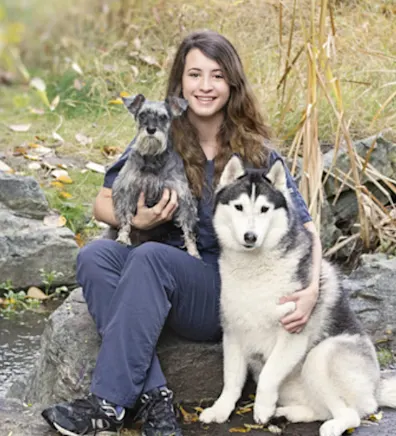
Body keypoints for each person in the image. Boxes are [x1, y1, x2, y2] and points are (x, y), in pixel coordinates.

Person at [41, 30, 322, 436]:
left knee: (150, 257)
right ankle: (156, 399)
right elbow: (102, 202)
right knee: (94, 256)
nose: (205, 86)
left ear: (232, 84)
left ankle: (108, 404)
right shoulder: (159, 132)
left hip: (220, 288)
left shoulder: (256, 152)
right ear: (180, 82)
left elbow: (307, 228)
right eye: (194, 75)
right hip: (151, 278)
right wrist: (135, 222)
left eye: (217, 76)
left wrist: (310, 291)